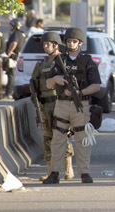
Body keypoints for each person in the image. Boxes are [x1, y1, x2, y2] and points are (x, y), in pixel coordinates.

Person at [43, 28, 101, 184]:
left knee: (83, 140)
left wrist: (79, 92)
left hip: (80, 105)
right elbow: (48, 84)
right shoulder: (60, 61)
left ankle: (85, 173)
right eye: (68, 41)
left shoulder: (87, 61)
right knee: (57, 140)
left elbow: (96, 85)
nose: (71, 44)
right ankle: (54, 173)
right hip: (61, 104)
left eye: (74, 41)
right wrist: (56, 79)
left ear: (80, 43)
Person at [29, 32, 75, 181]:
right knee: (47, 137)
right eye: (44, 44)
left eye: (48, 44)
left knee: (61, 135)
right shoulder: (41, 65)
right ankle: (50, 170)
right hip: (45, 104)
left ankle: (68, 167)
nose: (45, 47)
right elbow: (34, 83)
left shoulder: (64, 61)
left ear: (56, 45)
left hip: (60, 102)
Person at [5, 18, 26, 99]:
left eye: (10, 25)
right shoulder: (22, 33)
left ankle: (9, 93)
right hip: (18, 56)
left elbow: (14, 43)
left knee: (11, 75)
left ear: (14, 26)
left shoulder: (16, 34)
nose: (10, 27)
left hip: (14, 57)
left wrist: (10, 51)